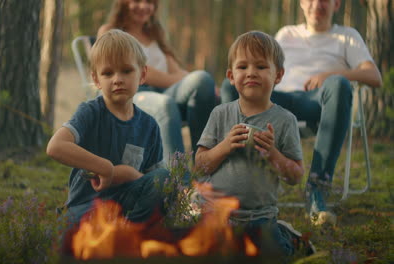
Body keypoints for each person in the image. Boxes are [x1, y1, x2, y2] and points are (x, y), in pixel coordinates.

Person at [220, 0, 382, 225]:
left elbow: (374, 76)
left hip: (316, 102)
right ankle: (238, 183)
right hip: (277, 100)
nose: (317, 4)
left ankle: (317, 189)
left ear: (336, 4)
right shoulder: (286, 34)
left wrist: (331, 74)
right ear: (302, 3)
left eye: (324, 0)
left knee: (339, 84)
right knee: (229, 87)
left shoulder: (347, 36)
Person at [195, 31, 309, 257]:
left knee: (273, 256)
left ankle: (285, 236)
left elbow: (295, 177)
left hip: (260, 218)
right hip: (217, 215)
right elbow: (199, 167)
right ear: (230, 75)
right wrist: (225, 146)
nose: (251, 73)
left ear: (278, 75)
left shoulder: (286, 121)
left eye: (261, 67)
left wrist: (273, 154)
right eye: (243, 67)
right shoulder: (220, 114)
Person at [46, 29, 169, 226]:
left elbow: (154, 182)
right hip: (87, 207)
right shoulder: (90, 112)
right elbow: (55, 147)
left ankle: (132, 233)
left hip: (128, 207)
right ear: (96, 80)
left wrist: (128, 175)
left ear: (142, 74)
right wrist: (106, 168)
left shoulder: (149, 126)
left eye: (126, 71)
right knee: (73, 230)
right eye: (108, 73)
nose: (117, 79)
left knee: (166, 178)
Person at [98, 0, 216, 162]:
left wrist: (204, 84)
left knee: (202, 80)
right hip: (134, 95)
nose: (144, 6)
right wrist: (177, 79)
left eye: (150, 2)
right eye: (137, 1)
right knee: (165, 103)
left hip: (166, 91)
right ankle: (178, 182)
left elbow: (176, 71)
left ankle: (204, 166)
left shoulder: (154, 34)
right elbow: (139, 72)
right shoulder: (111, 32)